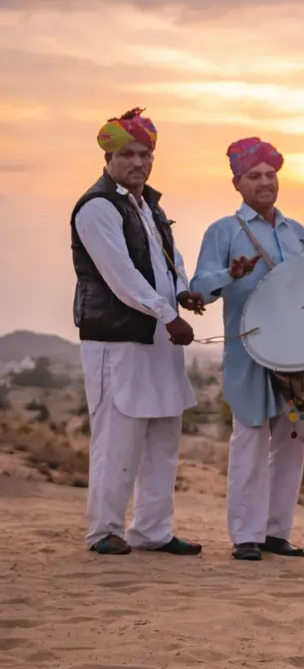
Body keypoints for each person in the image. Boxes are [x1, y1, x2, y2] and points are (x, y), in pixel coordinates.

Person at [72, 107, 205, 556]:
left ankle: (152, 531)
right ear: (109, 157)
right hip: (118, 341)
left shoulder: (150, 205)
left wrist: (183, 293)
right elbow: (121, 275)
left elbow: (172, 260)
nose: (138, 163)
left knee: (163, 437)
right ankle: (104, 530)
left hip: (159, 342)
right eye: (128, 154)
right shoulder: (97, 208)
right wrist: (166, 314)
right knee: (117, 439)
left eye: (145, 154)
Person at [191, 138, 304, 561]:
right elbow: (198, 290)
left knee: (293, 438)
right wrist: (231, 272)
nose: (265, 183)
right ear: (237, 183)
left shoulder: (296, 231)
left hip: (297, 352)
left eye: (270, 175)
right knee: (250, 437)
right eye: (254, 176)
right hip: (249, 351)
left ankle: (276, 532)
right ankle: (246, 535)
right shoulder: (222, 231)